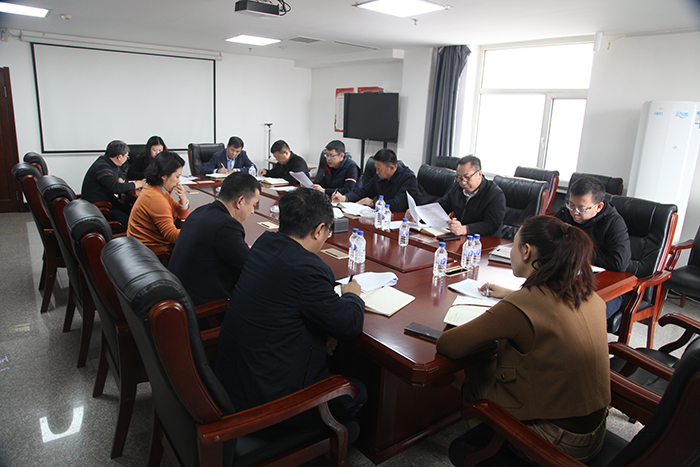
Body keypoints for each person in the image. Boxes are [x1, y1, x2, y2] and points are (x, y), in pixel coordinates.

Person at [436, 216, 610, 463]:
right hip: (594, 433)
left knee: (479, 366)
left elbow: (449, 345)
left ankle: (487, 440)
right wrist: (509, 296)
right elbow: (547, 307)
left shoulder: (523, 304)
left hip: (558, 445)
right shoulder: (585, 292)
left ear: (527, 251)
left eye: (514, 245)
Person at [215, 187, 366, 418]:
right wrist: (352, 295)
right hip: (270, 402)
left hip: (231, 380)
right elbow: (349, 325)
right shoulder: (310, 269)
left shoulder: (263, 244)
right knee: (358, 392)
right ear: (319, 230)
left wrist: (324, 332)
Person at [168, 172, 261, 306]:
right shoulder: (227, 226)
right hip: (204, 310)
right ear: (240, 201)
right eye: (253, 205)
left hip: (179, 297)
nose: (252, 211)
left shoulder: (200, 211)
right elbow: (251, 268)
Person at [555, 176, 631, 319]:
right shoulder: (566, 213)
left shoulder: (613, 223)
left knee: (586, 317)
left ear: (599, 207)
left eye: (581, 208)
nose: (574, 212)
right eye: (571, 205)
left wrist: (578, 252)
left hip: (605, 285)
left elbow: (619, 262)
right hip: (568, 276)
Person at [127, 151, 189, 253]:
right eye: (177, 177)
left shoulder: (154, 188)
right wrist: (197, 231)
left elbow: (180, 215)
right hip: (153, 252)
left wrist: (183, 200)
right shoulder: (155, 198)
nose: (178, 181)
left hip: (143, 247)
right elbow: (172, 236)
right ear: (164, 176)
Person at [436, 155, 505, 236]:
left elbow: (492, 224)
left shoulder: (495, 194)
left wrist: (466, 229)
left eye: (467, 177)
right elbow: (441, 207)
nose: (463, 182)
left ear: (479, 174)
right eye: (459, 178)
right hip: (461, 237)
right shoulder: (457, 188)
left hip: (485, 239)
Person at [332, 148, 419, 212]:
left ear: (391, 168)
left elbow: (398, 205)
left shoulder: (408, 179)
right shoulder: (380, 176)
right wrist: (345, 198)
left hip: (400, 220)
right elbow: (363, 192)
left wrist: (373, 203)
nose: (377, 172)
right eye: (376, 168)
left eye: (379, 169)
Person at [81, 140, 145, 226]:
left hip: (108, 201)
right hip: (99, 206)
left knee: (135, 212)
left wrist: (120, 178)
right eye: (126, 157)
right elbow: (116, 188)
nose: (126, 159)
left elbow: (121, 171)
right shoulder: (103, 168)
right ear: (119, 157)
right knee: (132, 222)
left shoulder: (107, 161)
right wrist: (139, 184)